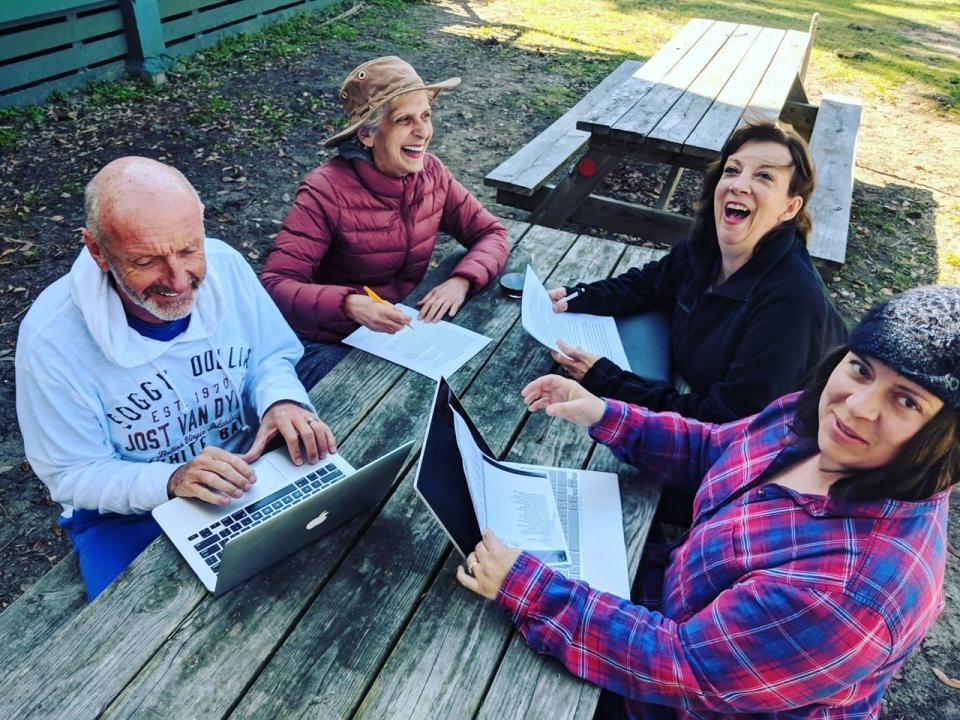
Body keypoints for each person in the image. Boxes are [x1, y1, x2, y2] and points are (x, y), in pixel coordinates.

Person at [457, 285, 960, 719]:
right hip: (661, 607)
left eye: (907, 400)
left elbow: (684, 669)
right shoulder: (818, 423)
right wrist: (605, 413)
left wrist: (528, 588)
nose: (858, 406)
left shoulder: (855, 590)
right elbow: (715, 448)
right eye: (862, 369)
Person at [15, 157, 336, 601]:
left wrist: (281, 400)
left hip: (250, 469)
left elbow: (270, 356)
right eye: (146, 260)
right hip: (127, 513)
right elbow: (72, 474)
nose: (178, 280)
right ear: (96, 251)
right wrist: (171, 480)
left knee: (330, 566)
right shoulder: (53, 339)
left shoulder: (227, 266)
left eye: (189, 249)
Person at [548, 121, 847, 423]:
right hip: (686, 392)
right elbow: (647, 285)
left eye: (764, 176)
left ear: (790, 208)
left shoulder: (791, 304)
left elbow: (724, 422)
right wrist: (581, 296)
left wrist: (605, 379)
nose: (739, 185)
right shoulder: (706, 248)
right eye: (732, 170)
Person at [261, 56, 509, 389]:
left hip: (399, 333)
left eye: (426, 116)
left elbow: (491, 232)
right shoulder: (325, 190)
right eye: (405, 120)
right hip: (328, 342)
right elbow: (275, 285)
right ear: (366, 134)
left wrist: (462, 280)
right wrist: (348, 304)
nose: (422, 131)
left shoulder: (432, 174)